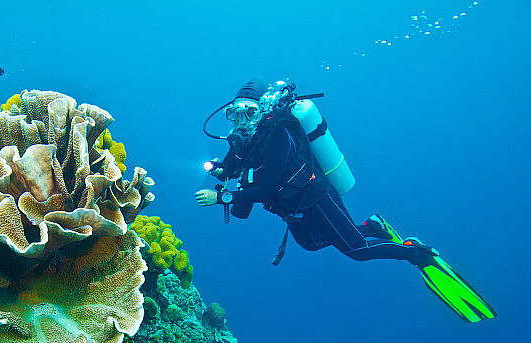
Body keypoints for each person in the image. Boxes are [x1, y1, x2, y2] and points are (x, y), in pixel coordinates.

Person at [195, 76, 495, 322]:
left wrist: (222, 197)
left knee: (357, 250)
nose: (241, 119)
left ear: (262, 110)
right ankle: (372, 226)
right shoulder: (242, 139)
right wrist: (220, 171)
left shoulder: (276, 136)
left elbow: (267, 189)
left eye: (249, 111)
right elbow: (233, 169)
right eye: (234, 112)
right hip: (293, 208)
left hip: (315, 197)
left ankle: (417, 253)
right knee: (312, 243)